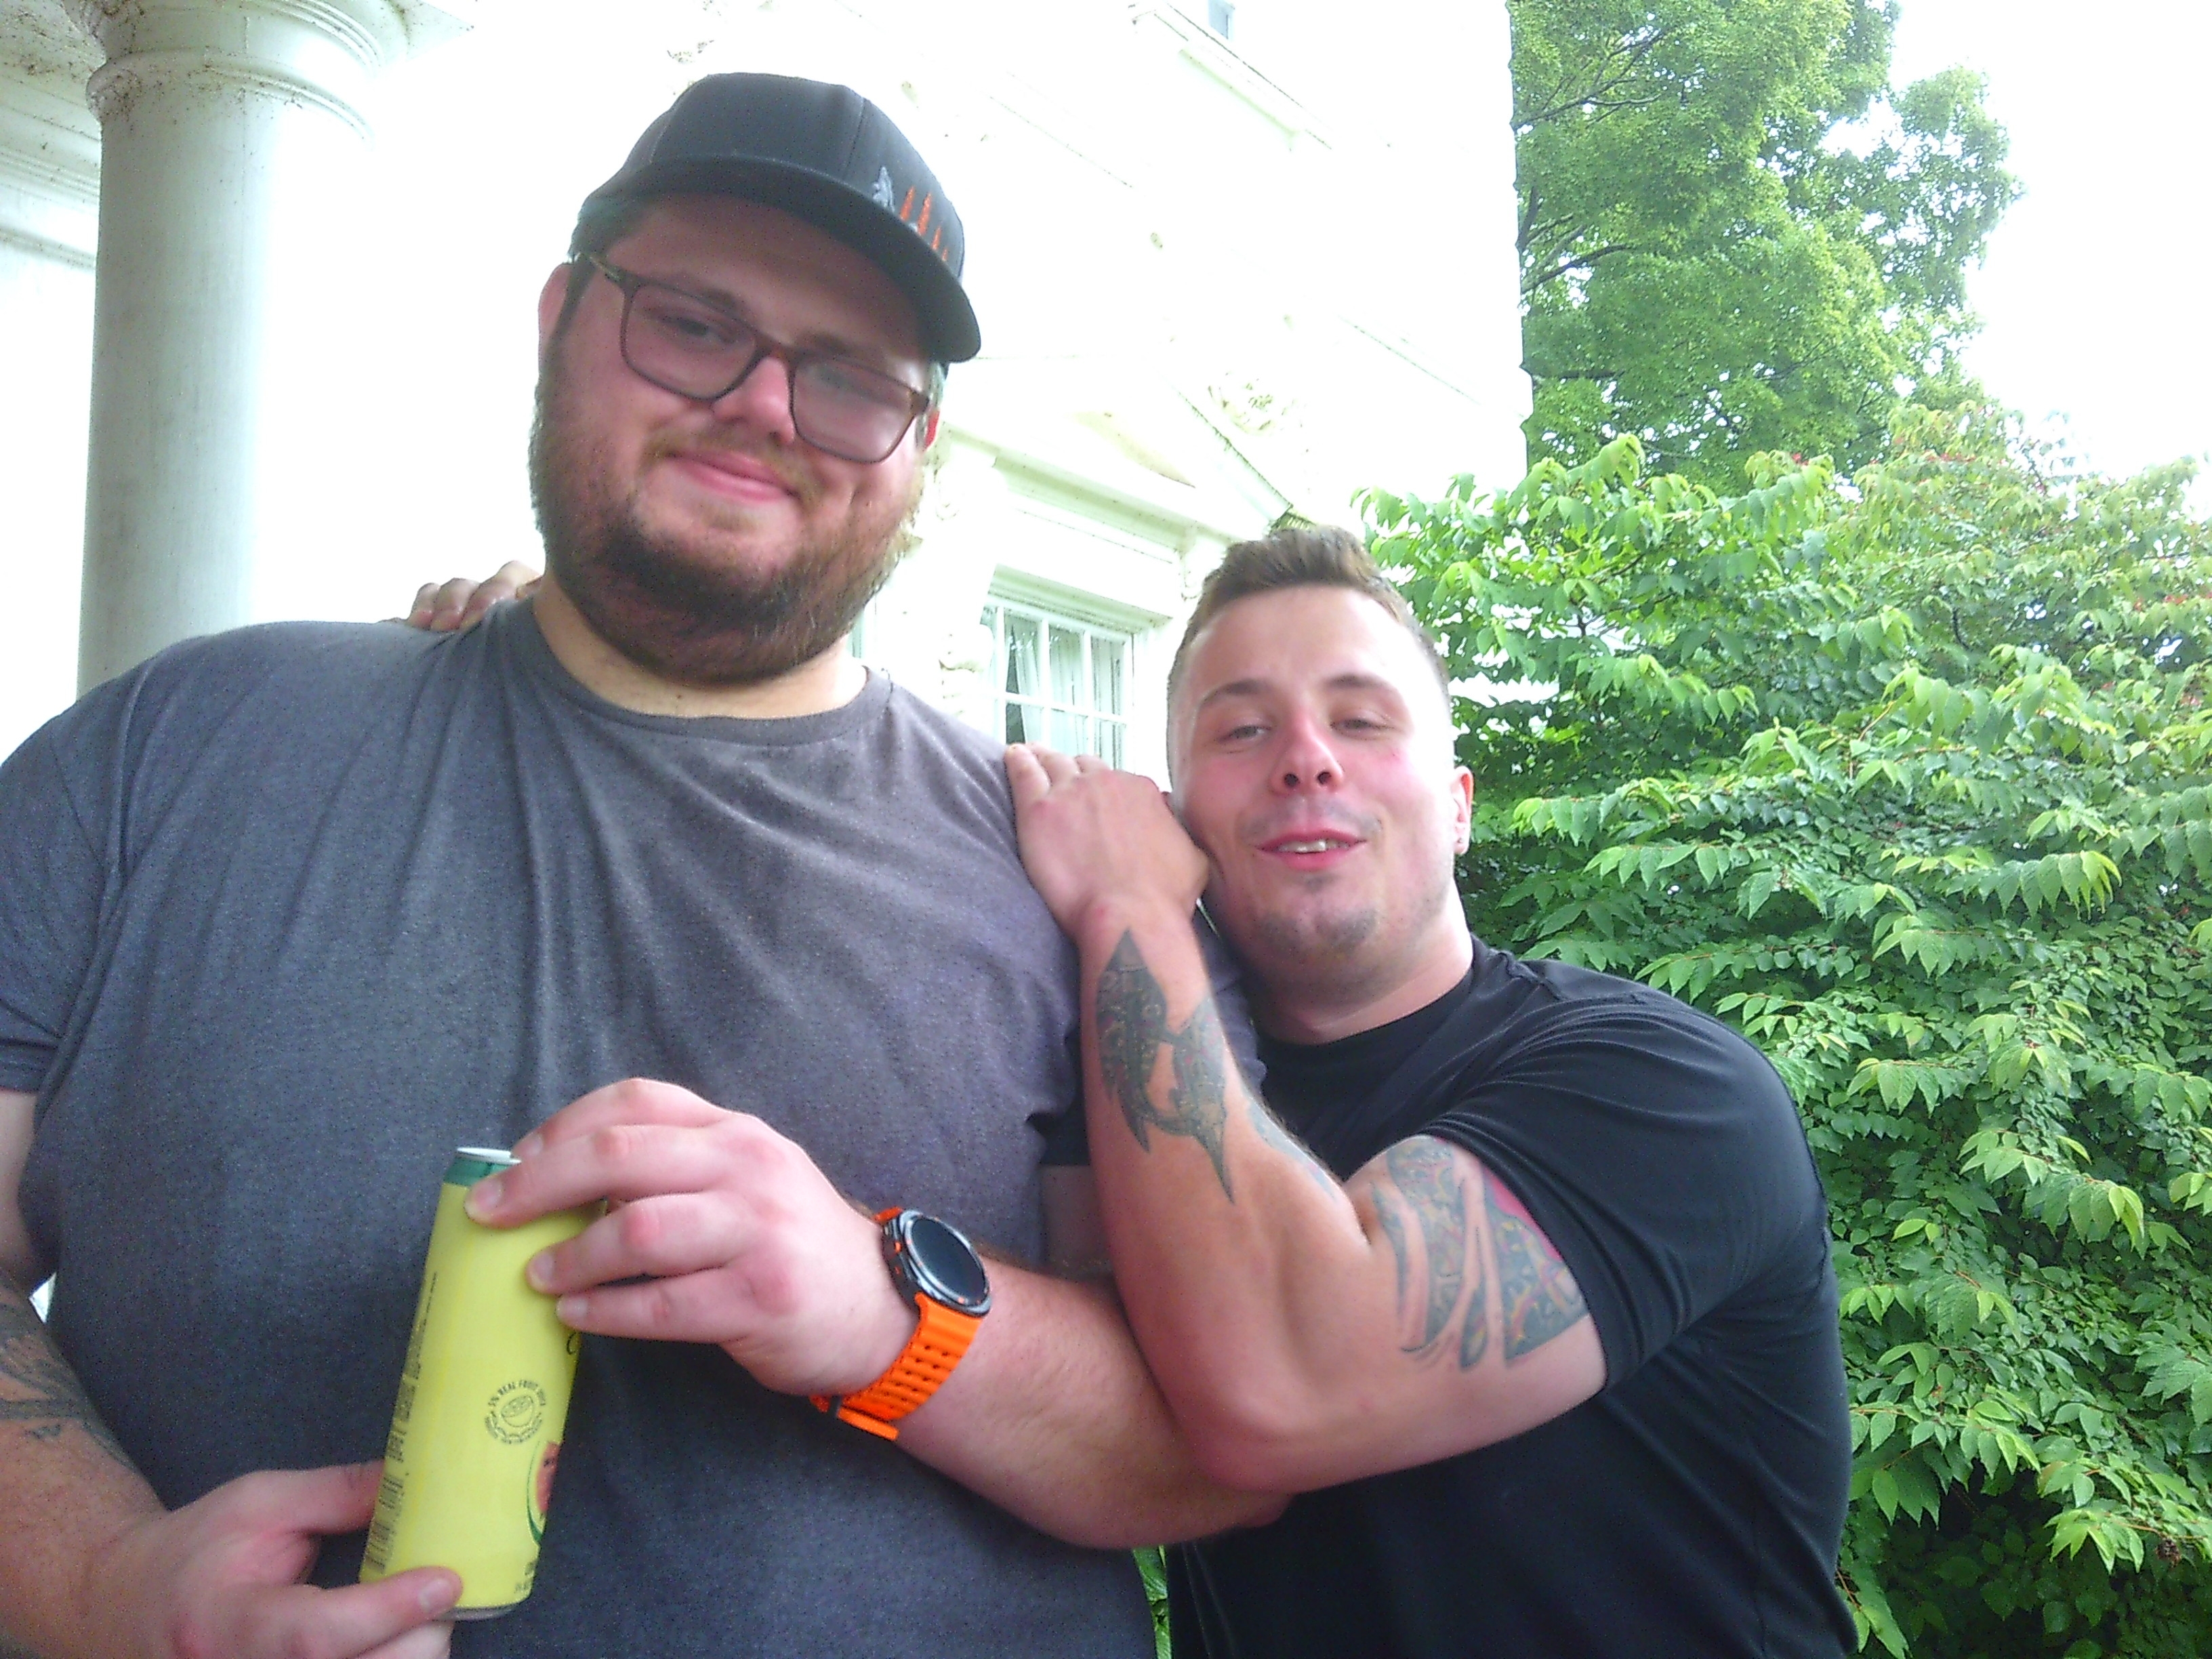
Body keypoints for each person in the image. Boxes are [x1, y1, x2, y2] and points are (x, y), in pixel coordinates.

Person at [0, 74, 1277, 1659]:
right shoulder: (171, 750)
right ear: (559, 320)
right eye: (691, 321)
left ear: (919, 448)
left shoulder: (1081, 880)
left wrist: (889, 1321)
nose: (762, 403)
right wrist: (95, 1589)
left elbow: (1224, 1439)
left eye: (852, 378)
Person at [1005, 524, 1858, 1658]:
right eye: (1243, 729)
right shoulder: (1128, 1091)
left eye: (1361, 721)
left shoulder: (1666, 1089)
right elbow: (1087, 1431)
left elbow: (1277, 1388)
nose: (1307, 758)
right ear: (1178, 818)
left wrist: (1130, 908)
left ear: (1458, 805)